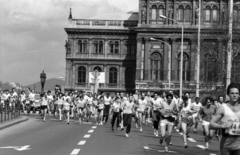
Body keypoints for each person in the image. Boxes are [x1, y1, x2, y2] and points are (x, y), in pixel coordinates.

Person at [210, 83, 240, 155]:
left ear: (239, 95)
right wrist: (222, 126)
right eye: (232, 93)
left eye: (236, 93)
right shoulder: (222, 108)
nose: (234, 95)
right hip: (226, 143)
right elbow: (211, 124)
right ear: (228, 95)